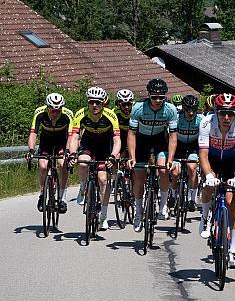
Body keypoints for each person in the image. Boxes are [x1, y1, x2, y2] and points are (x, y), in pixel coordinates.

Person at [198, 93, 235, 268]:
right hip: (211, 159)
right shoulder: (206, 123)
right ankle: (205, 217)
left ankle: (233, 248)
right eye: (222, 113)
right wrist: (209, 175)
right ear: (216, 112)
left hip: (230, 161)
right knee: (207, 185)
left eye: (230, 113)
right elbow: (203, 155)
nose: (226, 117)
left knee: (232, 201)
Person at [127, 78, 178, 232]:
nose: (157, 100)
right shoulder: (138, 108)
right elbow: (131, 134)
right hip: (141, 140)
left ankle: (163, 206)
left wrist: (170, 160)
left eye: (161, 97)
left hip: (159, 140)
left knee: (163, 169)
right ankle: (138, 211)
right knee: (139, 177)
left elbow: (173, 137)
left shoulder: (170, 109)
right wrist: (132, 157)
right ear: (148, 95)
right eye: (154, 97)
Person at [69, 87, 121, 231]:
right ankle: (82, 186)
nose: (94, 106)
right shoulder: (80, 114)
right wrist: (73, 153)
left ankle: (104, 216)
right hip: (89, 143)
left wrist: (113, 155)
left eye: (97, 103)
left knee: (103, 179)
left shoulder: (111, 116)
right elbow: (74, 137)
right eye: (91, 102)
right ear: (88, 102)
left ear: (103, 103)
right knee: (83, 162)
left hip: (105, 146)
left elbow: (117, 140)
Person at [27, 93, 73, 214]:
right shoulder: (39, 113)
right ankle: (42, 194)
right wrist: (31, 151)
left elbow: (71, 136)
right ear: (47, 108)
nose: (55, 113)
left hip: (62, 143)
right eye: (52, 110)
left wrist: (68, 152)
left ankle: (62, 197)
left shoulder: (67, 115)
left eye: (58, 111)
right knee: (42, 166)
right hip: (46, 142)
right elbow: (33, 133)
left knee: (63, 164)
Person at [171, 94, 203, 212]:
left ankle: (192, 199)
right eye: (188, 110)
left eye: (193, 110)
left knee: (192, 167)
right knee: (175, 172)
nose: (191, 113)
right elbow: (168, 135)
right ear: (183, 109)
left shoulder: (201, 118)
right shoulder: (177, 118)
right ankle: (173, 195)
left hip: (193, 146)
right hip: (178, 145)